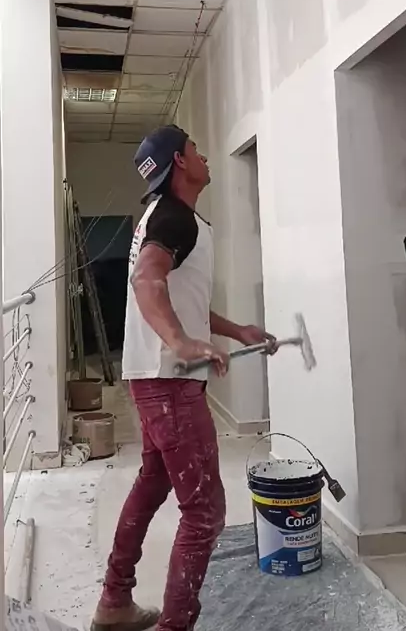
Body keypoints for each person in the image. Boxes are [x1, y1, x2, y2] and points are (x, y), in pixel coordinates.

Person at [91, 125, 275, 631]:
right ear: (179, 161)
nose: (203, 155)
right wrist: (179, 342)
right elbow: (147, 280)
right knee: (205, 511)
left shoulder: (164, 217)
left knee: (153, 483)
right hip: (169, 382)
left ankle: (114, 601)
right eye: (195, 148)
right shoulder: (175, 217)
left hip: (151, 378)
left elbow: (176, 294)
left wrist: (236, 330)